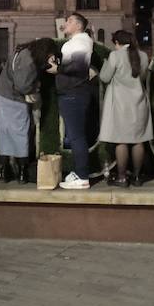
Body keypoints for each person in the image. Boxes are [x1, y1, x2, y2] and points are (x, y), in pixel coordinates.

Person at [48, 13, 97, 189]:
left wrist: (58, 68)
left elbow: (79, 66)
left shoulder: (82, 41)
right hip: (71, 92)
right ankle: (79, 172)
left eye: (69, 21)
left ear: (78, 25)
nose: (65, 23)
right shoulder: (76, 42)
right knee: (75, 135)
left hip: (74, 93)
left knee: (76, 136)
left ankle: (83, 176)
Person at [99, 30, 153, 188]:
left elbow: (105, 77)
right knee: (138, 140)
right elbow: (142, 78)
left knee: (121, 140)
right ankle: (137, 177)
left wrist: (104, 64)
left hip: (120, 104)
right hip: (139, 103)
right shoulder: (142, 56)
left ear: (117, 42)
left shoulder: (115, 56)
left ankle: (122, 178)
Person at [0, 38, 53, 184]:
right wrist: (37, 86)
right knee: (21, 133)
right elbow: (23, 86)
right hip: (16, 99)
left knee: (4, 133)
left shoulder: (21, 52)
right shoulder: (29, 61)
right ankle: (22, 173)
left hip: (2, 95)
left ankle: (3, 172)